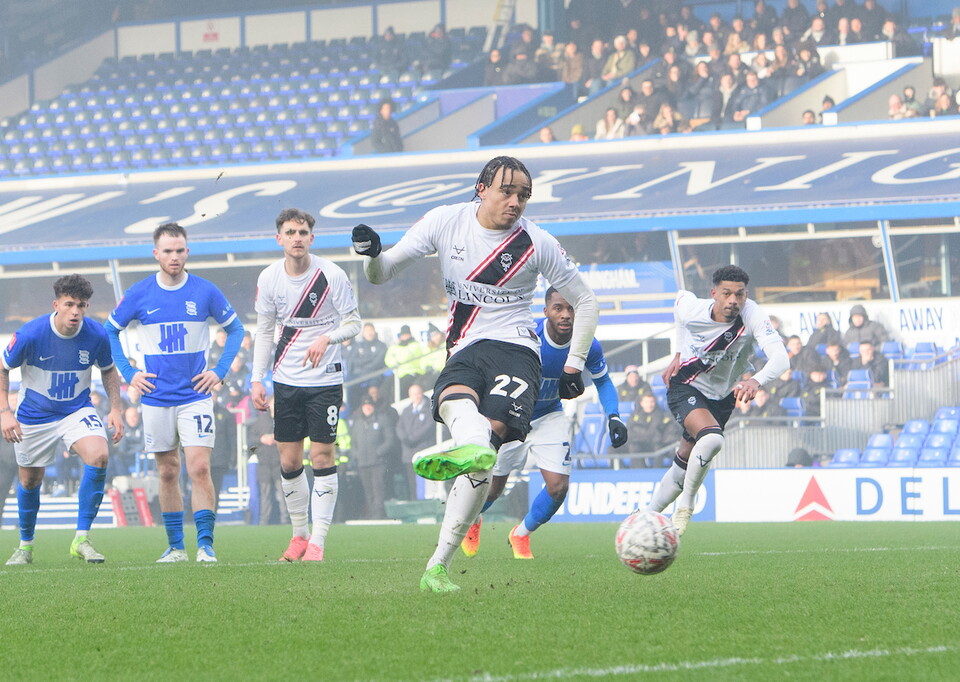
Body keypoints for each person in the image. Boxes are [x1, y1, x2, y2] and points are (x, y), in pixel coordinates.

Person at [352, 155, 598, 592]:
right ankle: (438, 564)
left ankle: (437, 562)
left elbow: (588, 301)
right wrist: (369, 254)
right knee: (462, 419)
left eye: (524, 195)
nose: (516, 201)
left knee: (490, 438)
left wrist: (575, 364)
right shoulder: (445, 221)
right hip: (464, 344)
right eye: (507, 190)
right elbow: (381, 273)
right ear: (481, 187)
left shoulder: (537, 242)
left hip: (518, 349)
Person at [106, 224, 243, 563]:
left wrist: (219, 370)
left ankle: (206, 546)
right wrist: (129, 373)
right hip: (155, 397)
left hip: (195, 395)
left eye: (180, 250)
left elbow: (236, 329)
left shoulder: (205, 291)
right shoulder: (139, 293)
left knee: (198, 467)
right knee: (167, 471)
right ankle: (176, 547)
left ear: (187, 251)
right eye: (168, 251)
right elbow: (110, 331)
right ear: (156, 254)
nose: (175, 257)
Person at [459, 287, 626, 559]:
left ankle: (520, 534)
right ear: (546, 310)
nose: (565, 315)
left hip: (549, 414)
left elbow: (604, 381)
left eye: (571, 308)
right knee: (493, 489)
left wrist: (614, 416)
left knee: (558, 486)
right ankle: (472, 521)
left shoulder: (587, 344)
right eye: (558, 308)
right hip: (512, 414)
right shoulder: (528, 337)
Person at [251, 208, 362, 562]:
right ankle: (298, 535)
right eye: (290, 232)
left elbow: (355, 323)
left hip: (325, 381)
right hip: (286, 381)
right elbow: (265, 331)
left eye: (302, 232)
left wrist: (327, 338)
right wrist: (257, 378)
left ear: (312, 238)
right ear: (279, 238)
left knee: (322, 455)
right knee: (288, 461)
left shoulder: (331, 275)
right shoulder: (269, 278)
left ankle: (318, 541)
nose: (297, 237)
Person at [646, 265, 789, 535]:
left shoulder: (752, 315)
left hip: (722, 397)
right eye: (727, 293)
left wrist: (755, 380)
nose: (734, 300)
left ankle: (645, 516)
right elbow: (680, 302)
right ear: (714, 294)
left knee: (686, 458)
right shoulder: (693, 309)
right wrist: (677, 352)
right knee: (712, 439)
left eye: (740, 294)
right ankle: (686, 507)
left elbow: (781, 358)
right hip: (686, 384)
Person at [2, 275, 124, 565]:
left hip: (75, 410)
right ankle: (25, 546)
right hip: (34, 414)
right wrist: (5, 412)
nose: (75, 312)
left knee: (99, 455)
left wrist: (116, 408)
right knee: (30, 480)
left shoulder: (96, 335)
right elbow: (3, 368)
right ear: (56, 304)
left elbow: (108, 370)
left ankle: (81, 539)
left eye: (81, 305)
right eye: (69, 304)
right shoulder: (30, 334)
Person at [349, 395, 395, 518]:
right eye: (365, 405)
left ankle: (379, 515)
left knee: (378, 489)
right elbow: (353, 442)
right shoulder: (357, 422)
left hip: (378, 463)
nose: (367, 408)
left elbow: (390, 440)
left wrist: (379, 452)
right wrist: (356, 454)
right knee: (368, 490)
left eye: (369, 405)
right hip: (363, 463)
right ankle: (371, 514)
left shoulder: (382, 419)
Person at [248, 395, 288, 526]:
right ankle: (264, 522)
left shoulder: (285, 420)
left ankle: (285, 521)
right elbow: (251, 444)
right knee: (265, 496)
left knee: (283, 496)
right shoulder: (259, 422)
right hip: (264, 463)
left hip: (280, 463)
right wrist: (261, 439)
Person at [395, 383, 436, 499]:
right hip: (409, 453)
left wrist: (412, 438)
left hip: (423, 451)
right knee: (412, 483)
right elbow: (399, 427)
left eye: (418, 393)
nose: (416, 396)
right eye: (414, 394)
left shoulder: (429, 408)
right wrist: (404, 438)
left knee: (424, 483)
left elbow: (428, 426)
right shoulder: (407, 410)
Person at [627, 392, 676, 467]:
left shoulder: (660, 415)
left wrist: (638, 431)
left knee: (659, 448)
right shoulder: (634, 415)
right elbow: (629, 431)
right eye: (646, 402)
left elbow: (653, 433)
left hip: (654, 445)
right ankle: (637, 473)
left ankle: (656, 473)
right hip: (639, 443)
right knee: (614, 448)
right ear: (641, 403)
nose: (649, 405)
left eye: (651, 402)